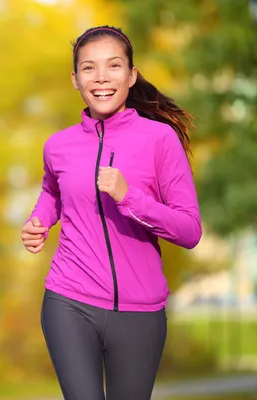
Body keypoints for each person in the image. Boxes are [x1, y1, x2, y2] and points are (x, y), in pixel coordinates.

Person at [21, 25, 202, 400]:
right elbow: (51, 190)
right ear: (75, 79)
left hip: (140, 311)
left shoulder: (159, 140)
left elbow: (189, 230)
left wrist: (129, 197)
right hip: (69, 299)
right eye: (89, 68)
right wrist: (39, 220)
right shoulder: (58, 146)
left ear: (131, 75)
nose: (101, 78)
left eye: (114, 66)